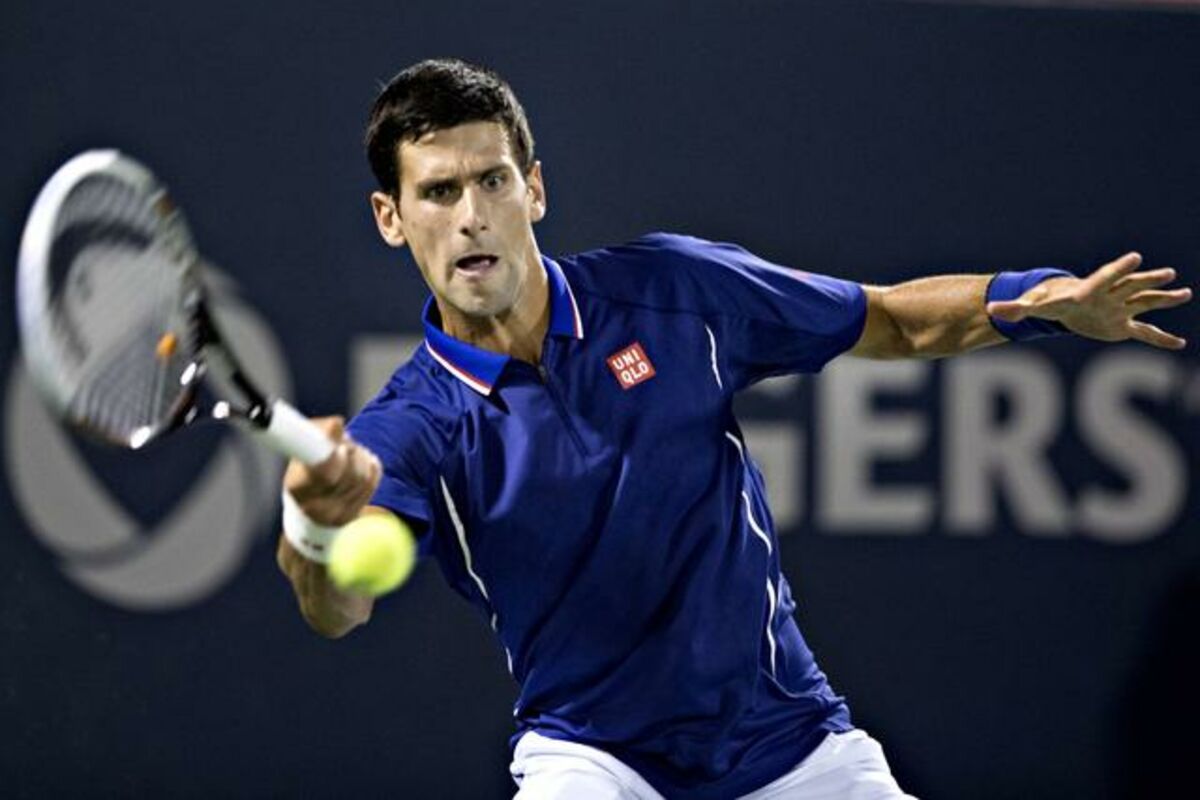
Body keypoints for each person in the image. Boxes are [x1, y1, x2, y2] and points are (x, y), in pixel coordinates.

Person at [275, 59, 1191, 799]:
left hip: (791, 742)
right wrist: (315, 528)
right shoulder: (410, 427)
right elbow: (337, 609)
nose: (472, 216)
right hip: (594, 759)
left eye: (493, 181)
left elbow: (888, 320)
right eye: (438, 192)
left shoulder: (670, 292)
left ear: (535, 190)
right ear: (391, 218)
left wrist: (1037, 302)